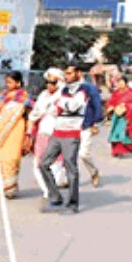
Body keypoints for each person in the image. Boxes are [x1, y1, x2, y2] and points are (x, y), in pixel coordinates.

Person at [39, 64, 89, 213]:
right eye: (65, 74)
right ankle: (55, 197)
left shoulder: (82, 91)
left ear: (78, 74)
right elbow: (51, 108)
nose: (66, 76)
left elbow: (72, 106)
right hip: (57, 132)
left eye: (69, 73)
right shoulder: (64, 90)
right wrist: (59, 103)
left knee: (70, 168)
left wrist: (60, 103)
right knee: (43, 163)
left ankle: (73, 204)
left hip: (71, 134)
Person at [0, 71, 30, 198]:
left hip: (16, 129)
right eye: (7, 82)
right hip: (0, 129)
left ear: (18, 83)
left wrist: (29, 132)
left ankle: (10, 188)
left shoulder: (24, 97)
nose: (8, 84)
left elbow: (31, 112)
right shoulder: (3, 96)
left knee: (11, 158)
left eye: (10, 82)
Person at [27, 68, 67, 199]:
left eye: (53, 81)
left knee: (55, 165)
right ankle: (48, 190)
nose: (49, 84)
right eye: (48, 81)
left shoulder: (65, 97)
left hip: (59, 134)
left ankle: (51, 192)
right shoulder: (43, 96)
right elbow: (35, 114)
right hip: (42, 133)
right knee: (38, 164)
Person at [75, 64, 104, 187]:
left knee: (83, 153)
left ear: (80, 73)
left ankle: (94, 172)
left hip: (86, 125)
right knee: (68, 154)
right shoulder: (66, 88)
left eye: (71, 73)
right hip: (70, 126)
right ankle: (68, 179)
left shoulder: (89, 88)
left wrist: (96, 123)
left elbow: (97, 106)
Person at [106, 75, 132, 157]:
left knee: (122, 132)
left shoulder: (131, 93)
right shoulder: (116, 93)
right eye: (119, 82)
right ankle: (114, 150)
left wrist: (126, 106)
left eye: (122, 82)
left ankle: (120, 150)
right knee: (114, 132)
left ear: (126, 83)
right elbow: (110, 102)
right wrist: (111, 107)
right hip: (116, 116)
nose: (120, 84)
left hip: (125, 116)